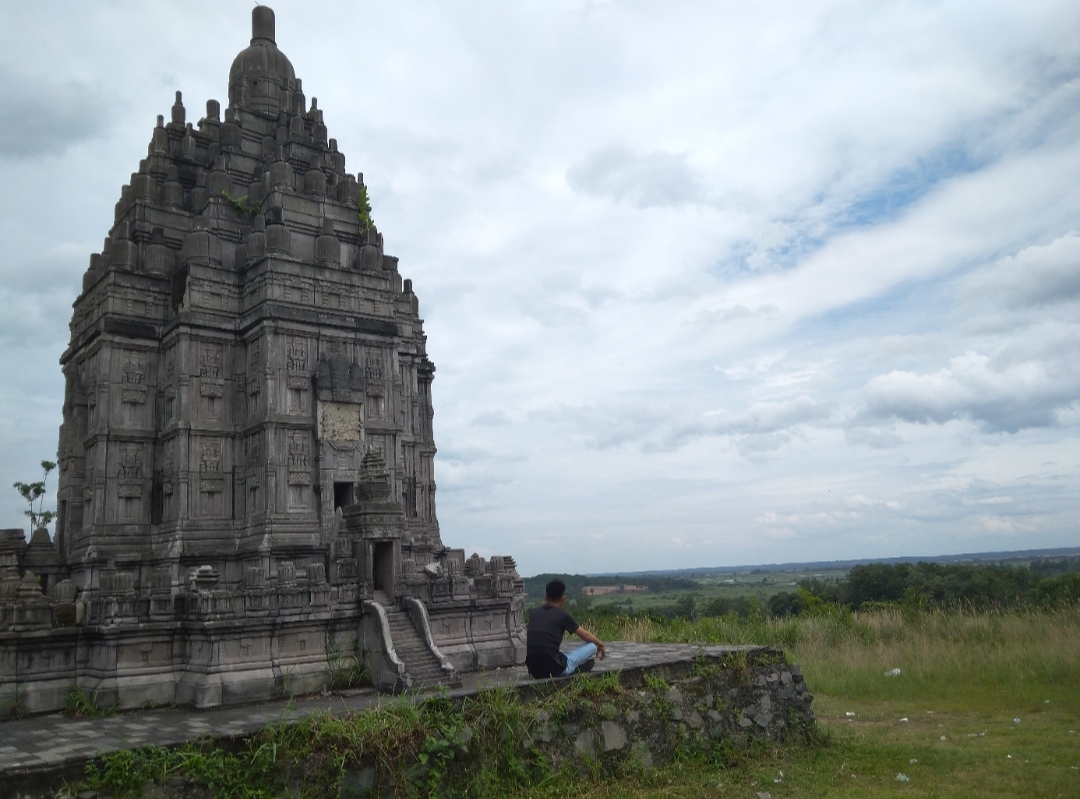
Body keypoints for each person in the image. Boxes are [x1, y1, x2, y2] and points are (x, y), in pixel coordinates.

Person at [526, 579, 607, 678]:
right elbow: (585, 635)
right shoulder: (562, 615)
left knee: (561, 655)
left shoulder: (534, 613)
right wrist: (600, 644)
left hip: (534, 671)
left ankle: (572, 666)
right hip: (555, 669)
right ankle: (572, 668)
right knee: (592, 645)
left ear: (545, 596)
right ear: (563, 598)